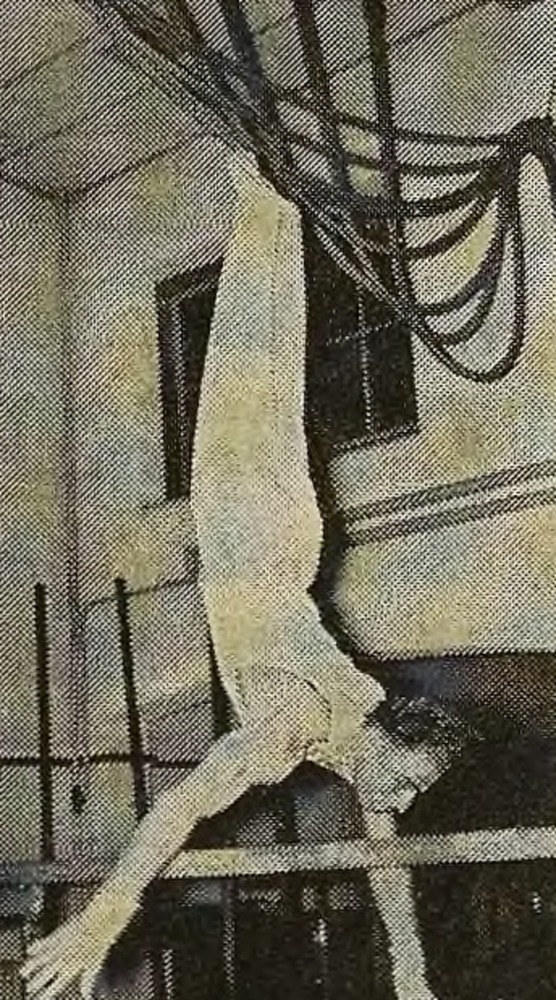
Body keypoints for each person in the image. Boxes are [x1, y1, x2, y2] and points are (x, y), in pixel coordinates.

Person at [22, 153, 471, 1000]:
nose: (404, 800)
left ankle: (270, 208)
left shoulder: (358, 739)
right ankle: (255, 198)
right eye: (410, 779)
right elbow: (181, 806)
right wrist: (106, 915)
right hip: (250, 533)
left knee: (273, 372)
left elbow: (388, 861)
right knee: (242, 364)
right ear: (389, 738)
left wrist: (411, 970)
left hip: (286, 542)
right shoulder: (293, 727)